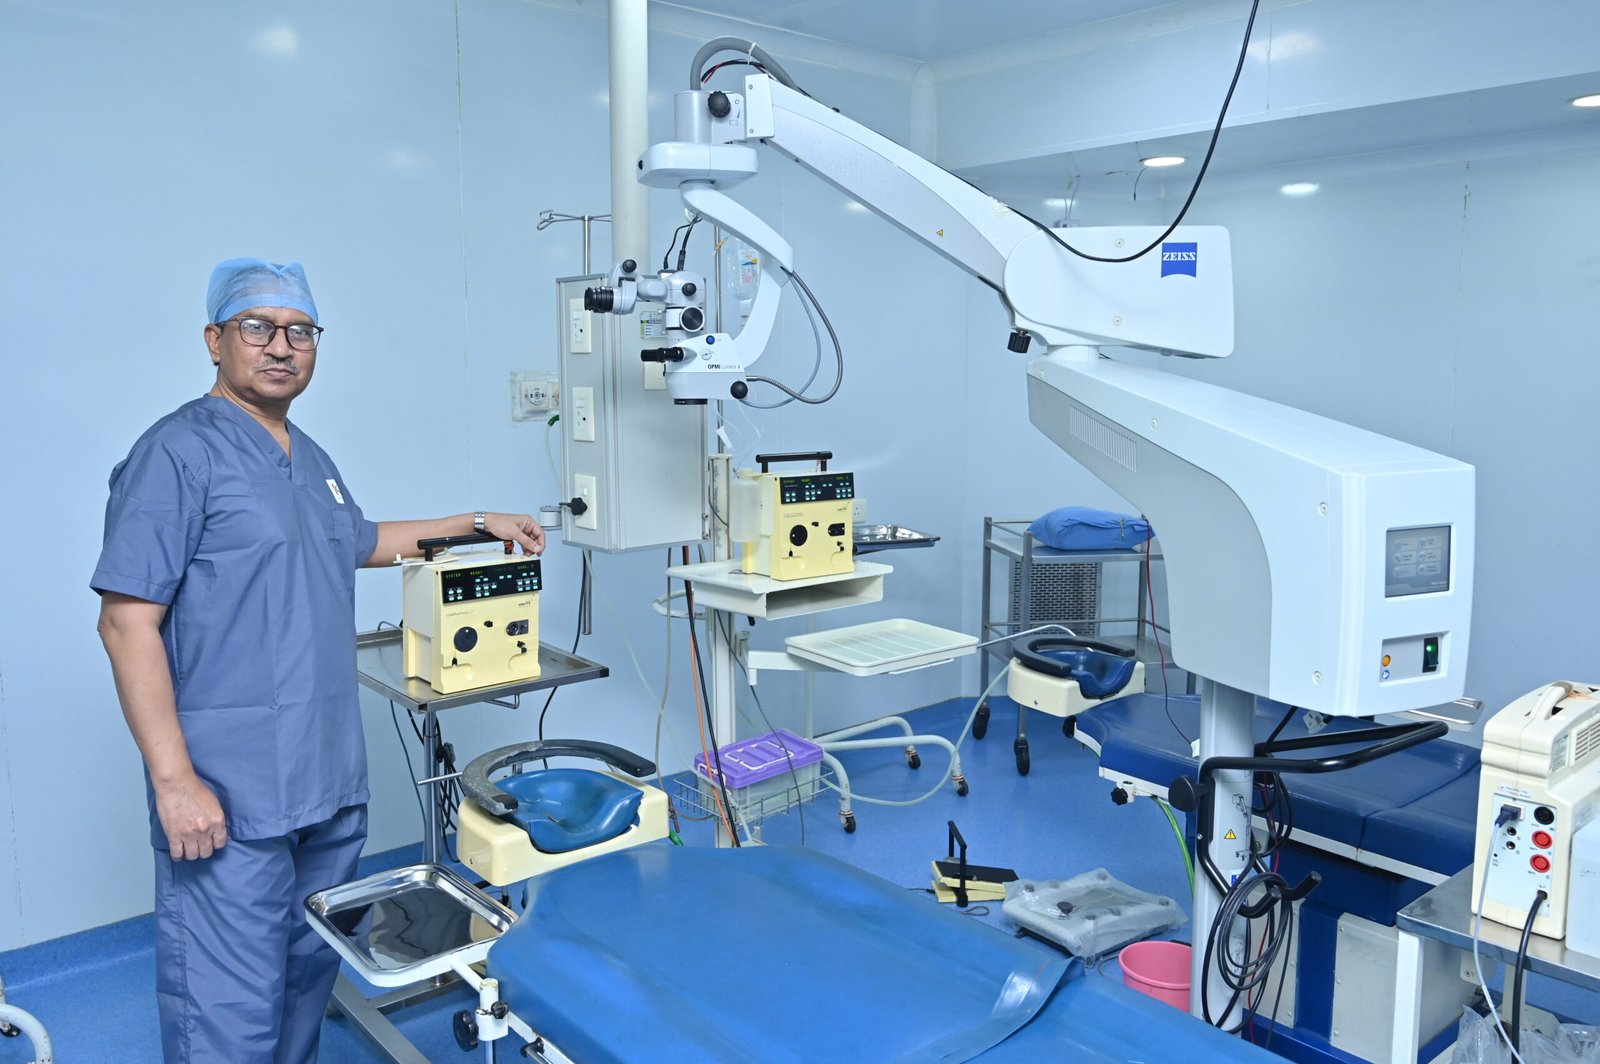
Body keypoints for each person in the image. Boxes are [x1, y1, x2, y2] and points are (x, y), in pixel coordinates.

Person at [91, 259, 545, 1063]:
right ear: (215, 340)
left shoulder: (313, 460)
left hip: (325, 777)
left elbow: (360, 542)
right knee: (228, 1004)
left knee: (307, 974)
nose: (281, 347)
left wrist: (479, 522)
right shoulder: (176, 454)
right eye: (257, 328)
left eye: (300, 332)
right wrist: (174, 780)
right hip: (230, 787)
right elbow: (127, 623)